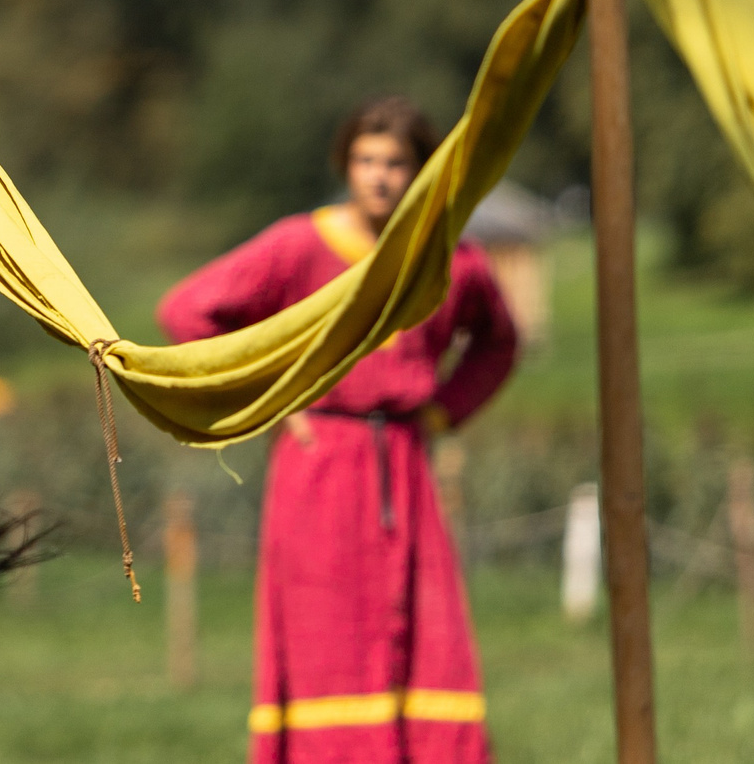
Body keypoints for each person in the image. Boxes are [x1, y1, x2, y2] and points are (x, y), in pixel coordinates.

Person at [159, 95, 519, 764]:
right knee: (323, 629)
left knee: (424, 625)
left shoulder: (446, 257)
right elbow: (188, 310)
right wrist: (274, 395)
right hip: (319, 460)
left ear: (422, 170)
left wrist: (443, 410)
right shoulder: (299, 245)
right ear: (346, 164)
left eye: (396, 162)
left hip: (406, 458)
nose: (379, 175)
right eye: (365, 159)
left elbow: (498, 340)